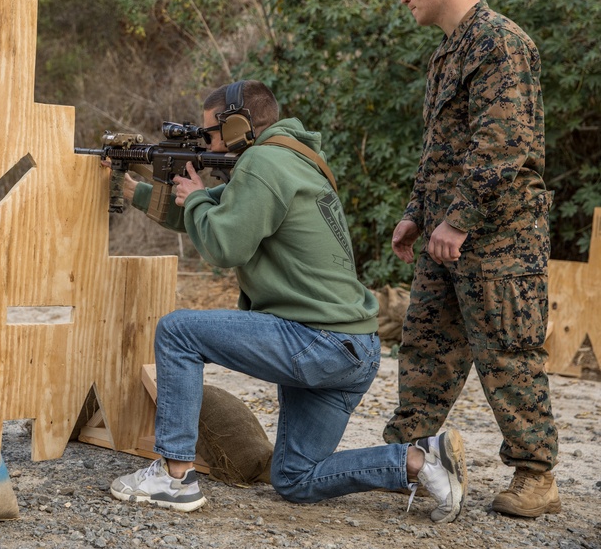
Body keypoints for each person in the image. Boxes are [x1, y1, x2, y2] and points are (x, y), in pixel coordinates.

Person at [106, 80, 468, 523]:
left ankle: (173, 475)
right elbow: (213, 210)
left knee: (178, 332)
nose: (207, 144)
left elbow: (223, 245)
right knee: (296, 478)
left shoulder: (261, 162)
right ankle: (420, 461)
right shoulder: (292, 159)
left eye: (212, 134)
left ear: (239, 124)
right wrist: (135, 190)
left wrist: (198, 197)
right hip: (353, 350)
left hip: (319, 341)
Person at [382, 0, 561, 518]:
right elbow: (440, 151)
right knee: (425, 348)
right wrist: (416, 215)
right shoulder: (448, 52)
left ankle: (537, 478)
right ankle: (406, 459)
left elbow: (504, 147)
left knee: (509, 354)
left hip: (500, 238)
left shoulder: (501, 43)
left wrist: (458, 219)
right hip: (445, 235)